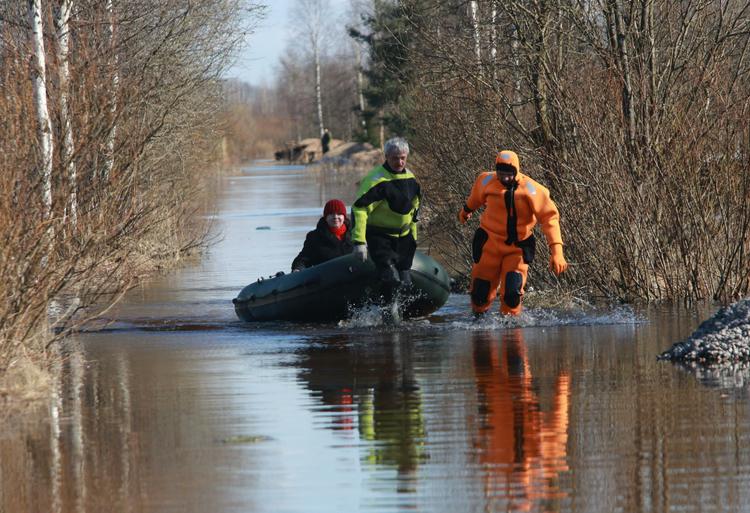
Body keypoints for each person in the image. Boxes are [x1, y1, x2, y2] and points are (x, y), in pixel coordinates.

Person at [458, 150, 568, 316]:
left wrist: (557, 252)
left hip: (517, 248)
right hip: (489, 243)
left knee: (512, 293)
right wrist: (466, 210)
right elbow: (476, 197)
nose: (505, 178)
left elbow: (550, 219)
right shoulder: (486, 180)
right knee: (480, 292)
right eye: (501, 174)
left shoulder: (532, 190)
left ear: (516, 171)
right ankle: (478, 322)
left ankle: (512, 329)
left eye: (509, 175)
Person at [351, 137, 421, 296]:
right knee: (391, 280)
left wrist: (413, 237)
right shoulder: (376, 180)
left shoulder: (410, 178)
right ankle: (384, 316)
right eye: (395, 158)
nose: (400, 162)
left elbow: (414, 209)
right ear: (386, 157)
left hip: (404, 237)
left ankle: (401, 318)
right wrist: (359, 242)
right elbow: (359, 209)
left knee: (406, 285)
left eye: (403, 158)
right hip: (380, 237)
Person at [291, 199, 353, 271]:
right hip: (327, 279)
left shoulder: (357, 233)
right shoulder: (314, 237)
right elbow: (302, 260)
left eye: (339, 214)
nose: (335, 217)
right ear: (325, 217)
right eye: (331, 214)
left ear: (344, 216)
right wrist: (298, 269)